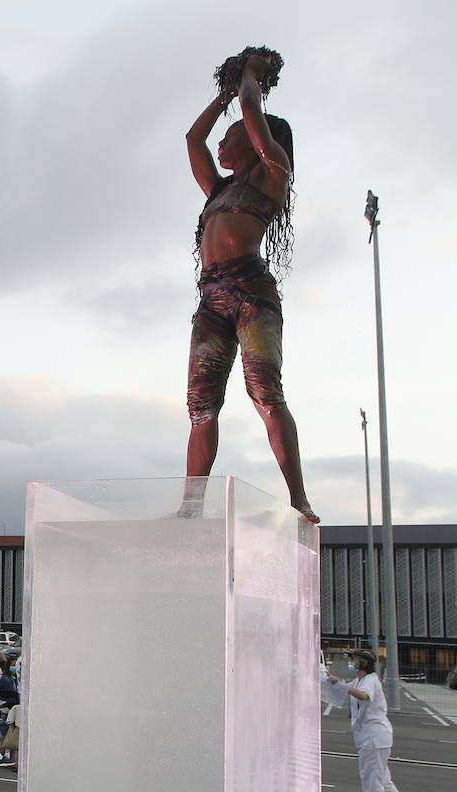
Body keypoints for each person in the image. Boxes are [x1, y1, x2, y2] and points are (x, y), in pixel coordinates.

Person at [183, 50, 316, 523]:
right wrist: (222, 94)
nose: (220, 145)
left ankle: (298, 496)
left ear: (255, 141)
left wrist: (251, 77)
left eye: (231, 137)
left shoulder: (272, 173)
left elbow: (252, 111)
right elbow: (192, 137)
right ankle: (190, 506)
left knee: (264, 393)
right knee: (201, 405)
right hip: (211, 298)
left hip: (250, 293)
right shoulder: (218, 191)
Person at [325, 649, 413, 792]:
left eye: (355, 659)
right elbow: (349, 686)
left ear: (363, 663)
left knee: (371, 776)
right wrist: (335, 681)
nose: (352, 662)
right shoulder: (361, 680)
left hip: (374, 735)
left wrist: (344, 686)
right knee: (382, 777)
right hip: (373, 735)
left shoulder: (370, 681)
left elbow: (364, 696)